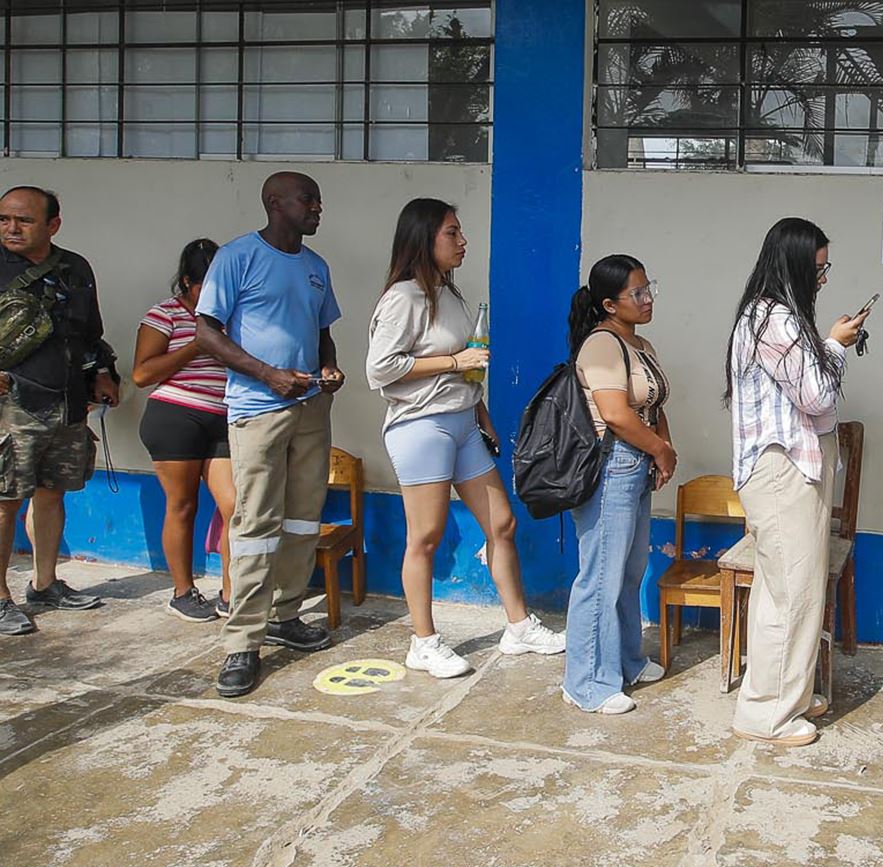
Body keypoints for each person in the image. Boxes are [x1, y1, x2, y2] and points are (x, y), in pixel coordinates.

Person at [368, 198, 565, 680]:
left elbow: (469, 359)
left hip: (462, 421)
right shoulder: (403, 298)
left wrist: (482, 414)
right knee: (427, 536)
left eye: (460, 232)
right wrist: (455, 364)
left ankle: (518, 627)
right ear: (424, 239)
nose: (463, 242)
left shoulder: (450, 294)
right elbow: (381, 369)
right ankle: (424, 642)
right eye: (452, 233)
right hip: (422, 426)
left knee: (502, 523)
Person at [195, 172, 343, 698]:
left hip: (310, 409)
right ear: (274, 203)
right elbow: (206, 332)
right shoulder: (237, 258)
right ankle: (243, 641)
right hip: (258, 408)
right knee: (257, 522)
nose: (318, 207)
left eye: (318, 198)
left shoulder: (315, 267)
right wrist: (267, 373)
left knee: (303, 518)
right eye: (309, 198)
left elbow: (322, 333)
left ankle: (285, 615)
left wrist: (329, 370)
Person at [726, 219, 867, 746]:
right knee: (791, 595)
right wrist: (835, 344)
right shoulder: (773, 320)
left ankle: (788, 694)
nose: (824, 277)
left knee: (783, 590)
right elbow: (817, 397)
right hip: (784, 471)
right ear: (796, 266)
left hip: (791, 469)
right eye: (820, 268)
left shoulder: (773, 316)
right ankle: (768, 715)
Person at [560, 254, 676, 715]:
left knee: (629, 573)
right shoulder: (602, 346)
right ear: (609, 304)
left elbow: (654, 403)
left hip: (639, 463)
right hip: (612, 466)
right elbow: (615, 414)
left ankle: (627, 659)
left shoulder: (640, 343)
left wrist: (663, 445)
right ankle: (585, 681)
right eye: (637, 293)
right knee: (600, 577)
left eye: (649, 289)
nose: (647, 299)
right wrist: (660, 450)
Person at [0, 186, 119, 635]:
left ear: (53, 225)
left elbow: (90, 333)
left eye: (23, 221)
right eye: (4, 219)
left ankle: (45, 582)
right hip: (11, 405)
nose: (11, 228)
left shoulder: (74, 269)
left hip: (66, 400)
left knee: (52, 494)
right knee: (4, 500)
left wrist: (104, 373)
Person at [133, 238, 236, 622]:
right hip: (176, 415)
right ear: (187, 282)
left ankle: (230, 592)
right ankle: (182, 592)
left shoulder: (232, 316)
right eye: (203, 286)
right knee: (183, 505)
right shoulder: (166, 314)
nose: (213, 294)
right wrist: (196, 345)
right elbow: (143, 373)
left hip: (224, 416)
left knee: (234, 507)